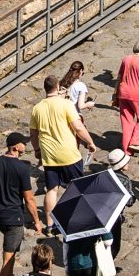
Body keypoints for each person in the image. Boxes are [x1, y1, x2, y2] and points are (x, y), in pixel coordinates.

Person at [0, 132, 43, 276]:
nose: (26, 145)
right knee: (8, 260)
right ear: (16, 147)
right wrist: (37, 221)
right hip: (13, 218)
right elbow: (29, 198)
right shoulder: (21, 168)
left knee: (11, 253)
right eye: (23, 143)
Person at [29, 73, 94, 212]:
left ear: (45, 89)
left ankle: (50, 223)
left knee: (51, 190)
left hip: (49, 156)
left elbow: (33, 135)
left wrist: (37, 150)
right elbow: (78, 128)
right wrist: (90, 142)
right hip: (68, 154)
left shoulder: (37, 108)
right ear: (58, 87)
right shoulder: (66, 104)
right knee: (76, 187)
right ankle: (75, 216)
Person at [115, 43, 139, 153]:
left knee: (126, 121)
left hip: (123, 92)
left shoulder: (125, 59)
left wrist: (116, 93)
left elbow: (119, 77)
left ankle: (126, 150)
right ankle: (135, 142)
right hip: (136, 94)